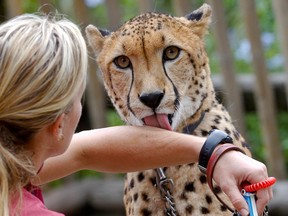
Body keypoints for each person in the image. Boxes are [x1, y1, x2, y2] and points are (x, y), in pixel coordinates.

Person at [0, 13, 272, 216]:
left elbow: (86, 150)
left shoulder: (13, 166)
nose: (150, 90)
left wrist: (213, 151)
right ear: (58, 123)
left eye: (171, 53)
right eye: (122, 63)